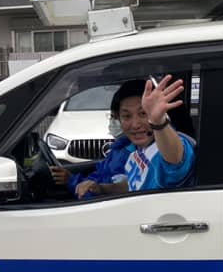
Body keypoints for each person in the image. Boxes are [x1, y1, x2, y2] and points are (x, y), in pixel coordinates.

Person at [50, 77, 196, 199]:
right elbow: (132, 184)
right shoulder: (139, 152)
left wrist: (158, 121)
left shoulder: (170, 146)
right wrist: (100, 188)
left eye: (143, 113)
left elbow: (176, 161)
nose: (135, 124)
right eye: (126, 116)